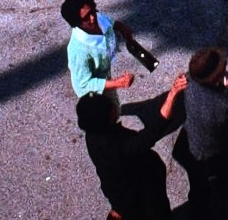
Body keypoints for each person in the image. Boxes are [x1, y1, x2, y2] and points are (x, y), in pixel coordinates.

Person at [77, 73, 188, 220]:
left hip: (122, 195)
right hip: (144, 198)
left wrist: (118, 83)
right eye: (110, 107)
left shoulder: (93, 134)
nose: (113, 106)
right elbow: (154, 130)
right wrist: (173, 93)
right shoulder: (119, 148)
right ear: (107, 117)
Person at [173, 48, 228, 219]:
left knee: (198, 188)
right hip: (215, 155)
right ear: (214, 77)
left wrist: (224, 84)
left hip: (190, 147)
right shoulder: (224, 107)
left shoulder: (188, 80)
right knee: (226, 181)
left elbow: (203, 90)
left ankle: (198, 212)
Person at [61, 0, 135, 104]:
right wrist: (118, 83)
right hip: (92, 94)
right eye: (86, 18)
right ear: (76, 23)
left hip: (103, 76)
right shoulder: (78, 50)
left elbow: (108, 22)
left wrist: (121, 27)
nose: (92, 18)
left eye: (92, 12)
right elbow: (84, 85)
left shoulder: (98, 18)